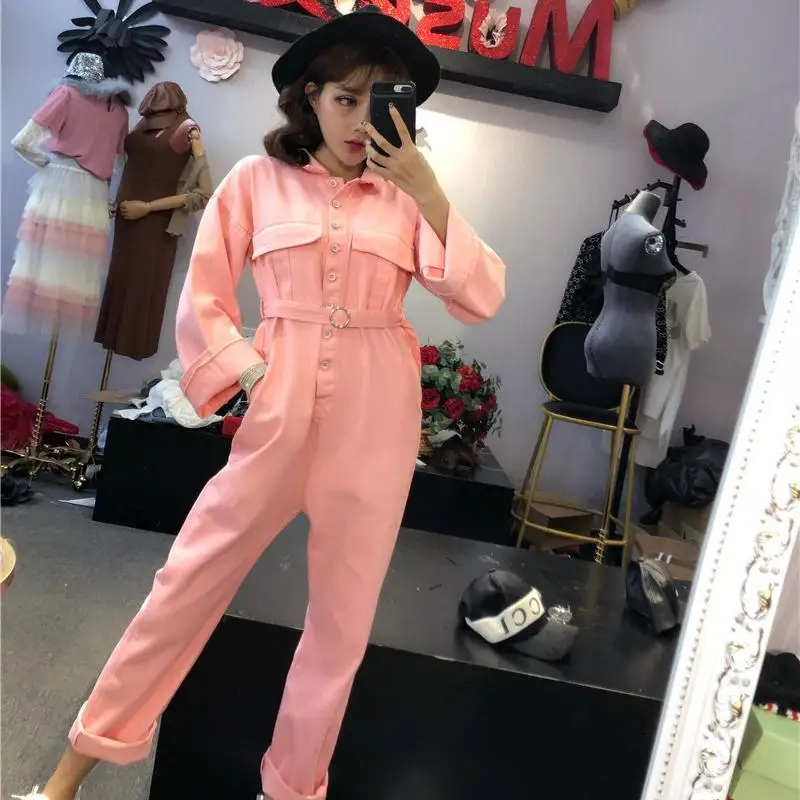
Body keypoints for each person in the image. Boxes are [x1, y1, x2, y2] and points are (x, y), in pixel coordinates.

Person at [18, 8, 505, 800]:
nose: (360, 120)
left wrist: (430, 191)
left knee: (340, 628)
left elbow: (481, 295)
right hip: (279, 411)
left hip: (375, 423)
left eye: (379, 101)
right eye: (345, 99)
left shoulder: (407, 199)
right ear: (310, 97)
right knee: (184, 584)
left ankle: (291, 790)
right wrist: (250, 372)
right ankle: (66, 778)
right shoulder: (254, 180)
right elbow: (206, 295)